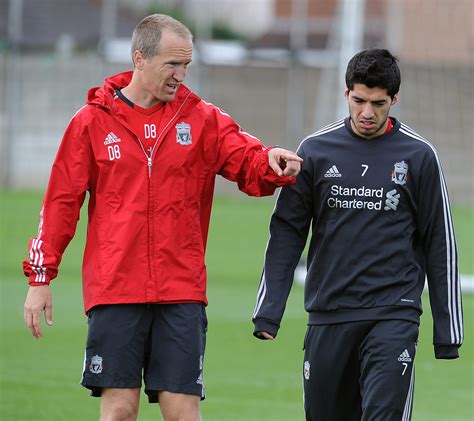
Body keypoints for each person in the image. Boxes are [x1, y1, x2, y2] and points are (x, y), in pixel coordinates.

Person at [22, 14, 302, 421]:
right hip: (116, 287)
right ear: (140, 59)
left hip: (181, 289)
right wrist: (40, 277)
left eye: (186, 65)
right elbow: (61, 202)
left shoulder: (201, 118)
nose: (181, 74)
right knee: (119, 410)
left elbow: (245, 158)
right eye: (172, 64)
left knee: (182, 412)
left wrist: (270, 163)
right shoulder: (91, 122)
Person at [252, 48, 463, 421]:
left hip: (393, 315)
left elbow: (439, 242)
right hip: (329, 315)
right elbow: (287, 231)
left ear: (393, 100)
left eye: (378, 103)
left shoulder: (419, 156)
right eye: (359, 100)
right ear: (346, 94)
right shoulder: (315, 150)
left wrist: (447, 331)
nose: (367, 113)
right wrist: (268, 312)